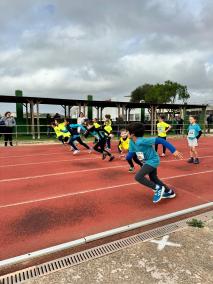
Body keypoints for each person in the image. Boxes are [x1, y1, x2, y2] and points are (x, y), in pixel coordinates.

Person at [127, 122, 183, 203]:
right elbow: (131, 153)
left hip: (153, 160)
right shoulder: (131, 141)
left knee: (138, 177)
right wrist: (127, 157)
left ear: (132, 134)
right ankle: (170, 192)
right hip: (146, 161)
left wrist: (173, 150)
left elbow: (161, 140)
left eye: (127, 131)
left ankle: (158, 188)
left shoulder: (142, 141)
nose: (126, 133)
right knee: (153, 178)